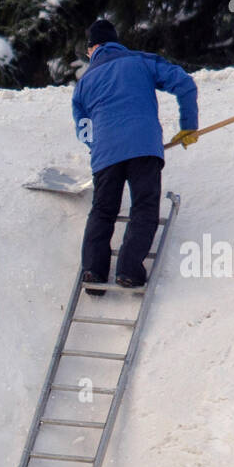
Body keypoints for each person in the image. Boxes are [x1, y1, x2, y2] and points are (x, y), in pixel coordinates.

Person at [72, 19, 198, 294]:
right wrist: (189, 125)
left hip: (106, 155)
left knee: (103, 210)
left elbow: (83, 129)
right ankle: (129, 271)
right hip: (143, 147)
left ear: (93, 48)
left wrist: (101, 146)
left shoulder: (84, 84)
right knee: (143, 206)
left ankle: (93, 272)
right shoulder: (140, 61)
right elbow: (185, 84)